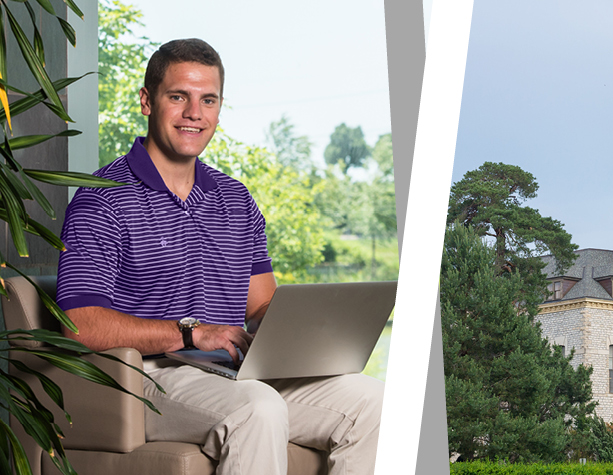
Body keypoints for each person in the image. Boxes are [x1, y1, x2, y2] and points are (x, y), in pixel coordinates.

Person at [55, 38, 382, 475]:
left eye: (208, 100)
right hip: (147, 376)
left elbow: (260, 304)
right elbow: (77, 324)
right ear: (147, 101)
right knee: (259, 408)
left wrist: (303, 330)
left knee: (374, 402)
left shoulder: (236, 199)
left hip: (235, 372)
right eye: (178, 97)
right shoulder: (103, 199)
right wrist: (190, 333)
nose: (195, 113)